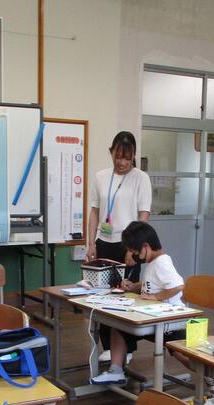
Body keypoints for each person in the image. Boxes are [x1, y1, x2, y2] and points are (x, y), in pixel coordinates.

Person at [89, 221, 214, 402]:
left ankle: (212, 379)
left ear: (145, 246)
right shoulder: (152, 262)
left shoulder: (162, 262)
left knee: (182, 354)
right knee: (119, 327)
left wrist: (156, 297)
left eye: (135, 251)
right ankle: (116, 370)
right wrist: (134, 286)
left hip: (172, 322)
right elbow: (151, 284)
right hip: (154, 320)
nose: (135, 255)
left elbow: (178, 286)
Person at [86, 131, 152, 364]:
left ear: (134, 155)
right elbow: (95, 211)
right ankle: (109, 346)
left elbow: (144, 215)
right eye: (117, 156)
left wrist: (134, 248)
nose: (121, 162)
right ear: (111, 152)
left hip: (129, 246)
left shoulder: (141, 178)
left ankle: (128, 349)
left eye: (127, 157)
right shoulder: (101, 176)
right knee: (103, 296)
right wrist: (91, 243)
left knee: (125, 295)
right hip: (104, 242)